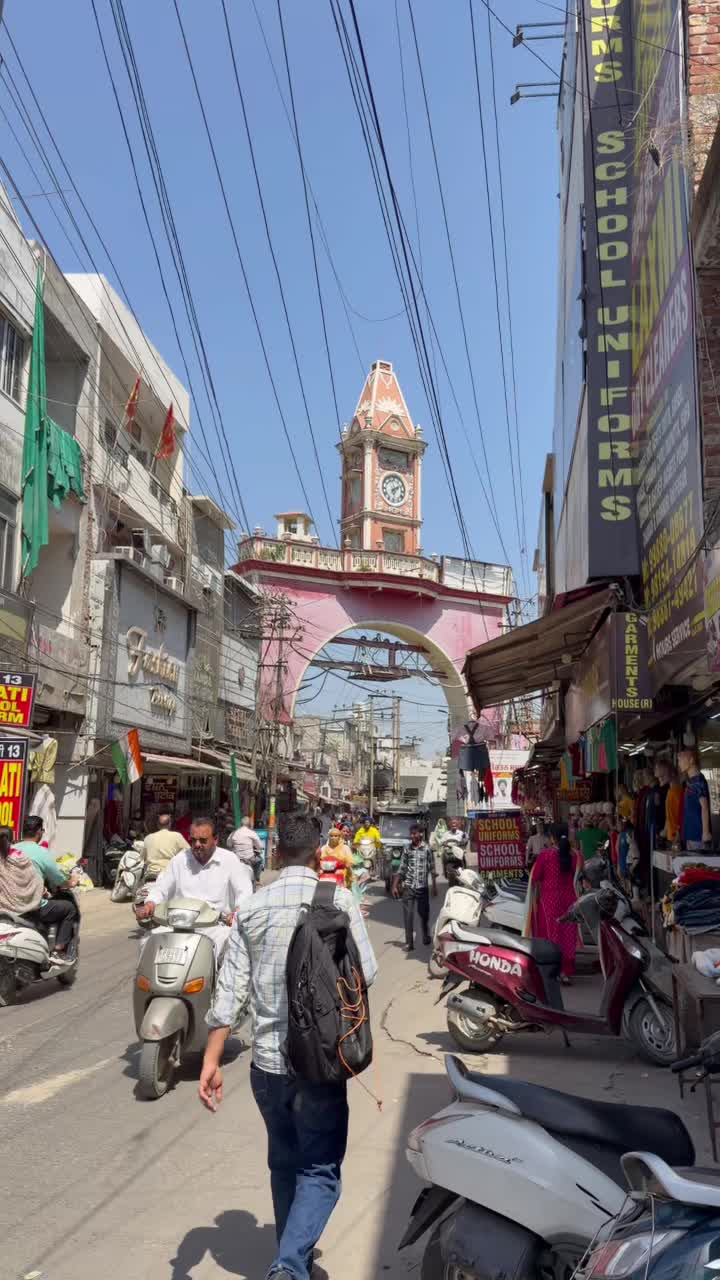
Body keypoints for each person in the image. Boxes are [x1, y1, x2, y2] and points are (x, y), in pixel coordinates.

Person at [199, 812, 377, 1280]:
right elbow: (369, 973)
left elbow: (230, 994)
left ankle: (289, 1255)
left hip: (268, 1064)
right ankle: (289, 1264)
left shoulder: (254, 908)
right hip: (320, 1062)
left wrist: (212, 1061)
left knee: (283, 1161)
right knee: (319, 1169)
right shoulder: (337, 899)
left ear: (276, 853)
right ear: (319, 853)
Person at [136, 816, 253, 963]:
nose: (197, 845)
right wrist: (150, 903)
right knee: (147, 941)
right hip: (178, 926)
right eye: (193, 840)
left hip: (215, 928)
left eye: (203, 840)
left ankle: (220, 986)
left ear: (215, 840)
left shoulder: (230, 860)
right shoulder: (179, 860)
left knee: (229, 947)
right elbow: (161, 888)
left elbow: (245, 893)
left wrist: (236, 912)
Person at [12, 815, 78, 964]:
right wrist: (72, 881)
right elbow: (59, 879)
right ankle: (59, 951)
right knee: (69, 908)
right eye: (42, 830)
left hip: (8, 905)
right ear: (38, 832)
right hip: (31, 907)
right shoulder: (41, 852)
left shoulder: (10, 850)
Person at [524, 824, 580, 983]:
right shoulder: (573, 855)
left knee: (552, 933)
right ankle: (566, 972)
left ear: (552, 838)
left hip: (550, 899)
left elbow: (536, 877)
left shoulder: (545, 855)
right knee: (568, 933)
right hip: (569, 899)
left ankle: (553, 970)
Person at [392, 825, 437, 952]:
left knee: (424, 914)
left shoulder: (427, 848)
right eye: (411, 834)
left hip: (422, 888)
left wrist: (434, 886)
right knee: (408, 915)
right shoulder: (407, 849)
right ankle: (409, 943)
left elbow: (432, 868)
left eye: (414, 834)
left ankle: (425, 934)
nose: (412, 836)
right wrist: (395, 885)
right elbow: (401, 868)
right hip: (409, 887)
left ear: (421, 834)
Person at [0, 826, 43, 917]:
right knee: (68, 908)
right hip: (22, 910)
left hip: (5, 910)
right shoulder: (21, 857)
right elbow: (35, 882)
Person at [679, 746, 713, 851]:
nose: (679, 763)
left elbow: (705, 807)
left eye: (681, 759)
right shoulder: (690, 782)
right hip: (690, 834)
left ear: (691, 760)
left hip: (698, 835)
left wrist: (706, 832)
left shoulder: (698, 781)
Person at [143, 809, 189, 878]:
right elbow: (188, 853)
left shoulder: (148, 838)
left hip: (151, 875)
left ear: (158, 825)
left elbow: (143, 858)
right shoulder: (177, 836)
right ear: (170, 824)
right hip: (169, 875)